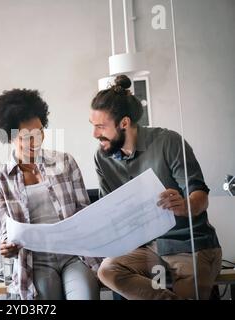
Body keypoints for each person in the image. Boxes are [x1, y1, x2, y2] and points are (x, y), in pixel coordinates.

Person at [89, 75, 221, 300]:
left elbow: (201, 197)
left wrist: (184, 205)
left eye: (101, 126)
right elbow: (111, 211)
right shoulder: (103, 158)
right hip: (148, 248)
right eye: (93, 126)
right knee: (108, 270)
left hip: (189, 245)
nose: (95, 134)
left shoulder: (168, 141)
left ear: (124, 123)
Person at [0, 88, 100, 300]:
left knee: (85, 295)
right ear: (10, 136)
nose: (36, 141)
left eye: (40, 132)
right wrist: (7, 247)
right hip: (35, 261)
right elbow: (6, 231)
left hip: (73, 255)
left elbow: (85, 212)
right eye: (27, 136)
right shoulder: (0, 180)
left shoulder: (65, 162)